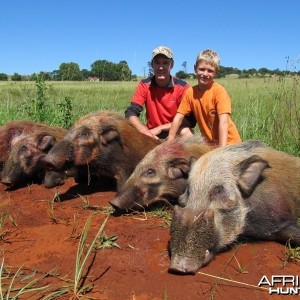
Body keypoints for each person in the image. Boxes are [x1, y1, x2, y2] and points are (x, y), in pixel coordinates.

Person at [167, 49, 241, 146]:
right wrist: (169, 143)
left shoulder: (219, 91)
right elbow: (179, 117)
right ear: (195, 68)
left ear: (217, 72)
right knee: (182, 132)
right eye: (201, 69)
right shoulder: (190, 92)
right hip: (209, 145)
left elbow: (224, 122)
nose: (205, 74)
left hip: (229, 144)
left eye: (210, 71)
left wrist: (221, 151)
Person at [125, 46, 195, 140]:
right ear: (152, 64)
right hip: (152, 134)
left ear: (172, 65)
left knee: (186, 132)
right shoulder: (145, 85)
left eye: (165, 63)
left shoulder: (183, 87)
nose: (161, 67)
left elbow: (191, 120)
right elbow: (130, 112)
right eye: (157, 62)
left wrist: (161, 128)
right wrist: (144, 131)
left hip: (176, 132)